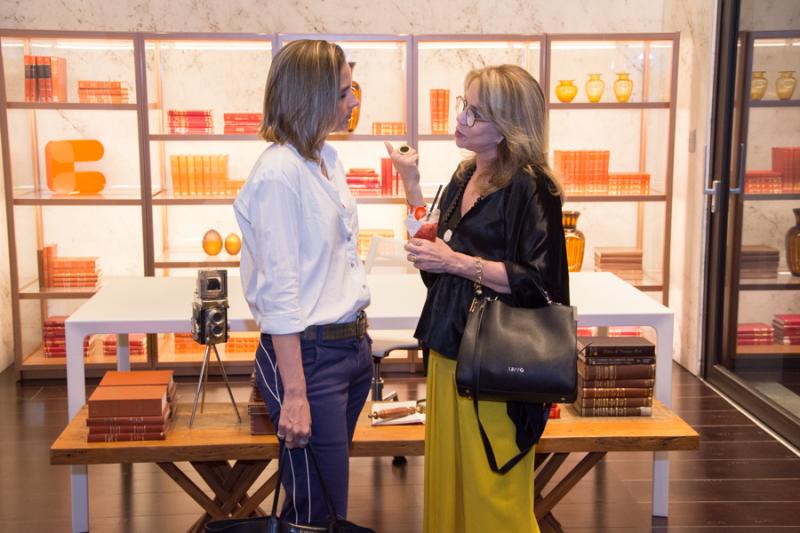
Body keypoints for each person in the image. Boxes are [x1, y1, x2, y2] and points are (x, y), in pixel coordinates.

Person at [385, 64, 569, 532]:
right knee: (449, 481)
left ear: (507, 126)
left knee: (493, 491)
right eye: (463, 106)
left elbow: (542, 283)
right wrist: (411, 184)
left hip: (499, 360)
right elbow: (438, 247)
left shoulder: (531, 185)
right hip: (448, 347)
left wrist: (459, 264)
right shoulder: (466, 172)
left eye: (475, 113)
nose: (461, 119)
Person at [234, 39, 371, 524]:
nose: (353, 102)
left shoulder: (325, 159)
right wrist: (294, 394)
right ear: (310, 97)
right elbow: (281, 293)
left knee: (323, 501)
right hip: (309, 361)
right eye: (343, 92)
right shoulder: (278, 175)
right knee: (317, 510)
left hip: (347, 351)